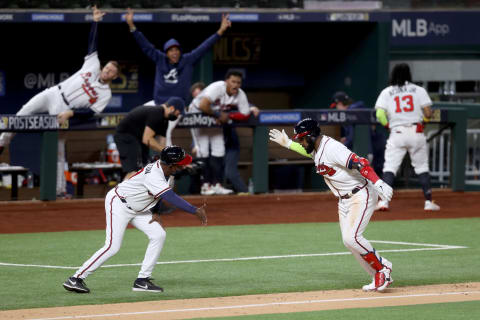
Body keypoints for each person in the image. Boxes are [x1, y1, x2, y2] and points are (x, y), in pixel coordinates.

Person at [0, 6, 119, 196]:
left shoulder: (106, 94)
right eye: (107, 68)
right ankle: (2, 143)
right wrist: (95, 21)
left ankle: (60, 190)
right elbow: (92, 44)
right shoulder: (93, 65)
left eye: (112, 71)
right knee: (23, 112)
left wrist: (71, 113)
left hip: (64, 109)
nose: (107, 71)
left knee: (58, 149)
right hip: (55, 92)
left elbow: (91, 112)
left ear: (114, 76)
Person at [269, 118, 394, 292]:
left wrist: (378, 182)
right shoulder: (316, 147)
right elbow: (308, 152)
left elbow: (360, 163)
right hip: (344, 200)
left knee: (353, 238)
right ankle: (376, 275)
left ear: (312, 136)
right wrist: (289, 144)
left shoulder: (332, 148)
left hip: (361, 194)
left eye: (302, 139)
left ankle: (383, 269)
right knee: (349, 242)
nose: (301, 142)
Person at [62, 146, 207, 293]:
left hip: (139, 210)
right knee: (112, 246)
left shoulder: (168, 174)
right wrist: (194, 210)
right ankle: (76, 278)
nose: (183, 166)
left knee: (158, 234)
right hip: (119, 204)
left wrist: (156, 213)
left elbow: (160, 195)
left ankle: (142, 280)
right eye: (181, 164)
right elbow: (170, 196)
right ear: (171, 165)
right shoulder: (155, 175)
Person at [125, 8, 231, 104]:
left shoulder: (188, 60)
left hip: (177, 107)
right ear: (166, 53)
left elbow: (205, 46)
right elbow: (145, 45)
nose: (174, 52)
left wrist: (221, 31)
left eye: (176, 50)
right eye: (171, 50)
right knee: (138, 118)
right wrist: (131, 26)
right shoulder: (160, 58)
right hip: (159, 103)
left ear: (180, 51)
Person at [374, 63, 440, 212]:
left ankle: (384, 201)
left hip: (397, 132)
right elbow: (428, 113)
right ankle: (429, 202)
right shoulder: (419, 90)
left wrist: (388, 126)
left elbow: (379, 115)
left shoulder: (387, 92)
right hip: (416, 131)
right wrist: (424, 122)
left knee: (390, 167)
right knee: (422, 167)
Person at [188, 71, 252, 195]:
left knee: (219, 149)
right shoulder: (218, 87)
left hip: (213, 115)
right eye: (233, 81)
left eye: (238, 82)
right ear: (226, 81)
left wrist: (228, 116)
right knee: (203, 150)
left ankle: (216, 184)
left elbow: (245, 114)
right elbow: (203, 105)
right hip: (197, 113)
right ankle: (205, 185)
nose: (236, 85)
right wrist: (219, 115)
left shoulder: (240, 94)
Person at [114, 97, 185, 180]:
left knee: (144, 169)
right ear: (172, 108)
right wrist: (167, 152)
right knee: (135, 170)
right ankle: (120, 192)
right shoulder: (157, 112)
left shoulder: (165, 121)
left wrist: (172, 158)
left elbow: (162, 143)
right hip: (126, 136)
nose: (177, 116)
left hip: (138, 139)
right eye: (177, 113)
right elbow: (147, 139)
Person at [330, 91, 386, 176]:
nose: (337, 109)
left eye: (336, 106)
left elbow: (353, 138)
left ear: (340, 103)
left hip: (362, 155)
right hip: (373, 152)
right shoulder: (360, 109)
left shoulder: (351, 113)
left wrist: (343, 145)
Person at [223, 104, 260, 194]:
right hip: (214, 149)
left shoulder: (224, 100)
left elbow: (239, 102)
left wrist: (251, 107)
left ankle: (244, 191)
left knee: (230, 172)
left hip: (230, 146)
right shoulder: (203, 106)